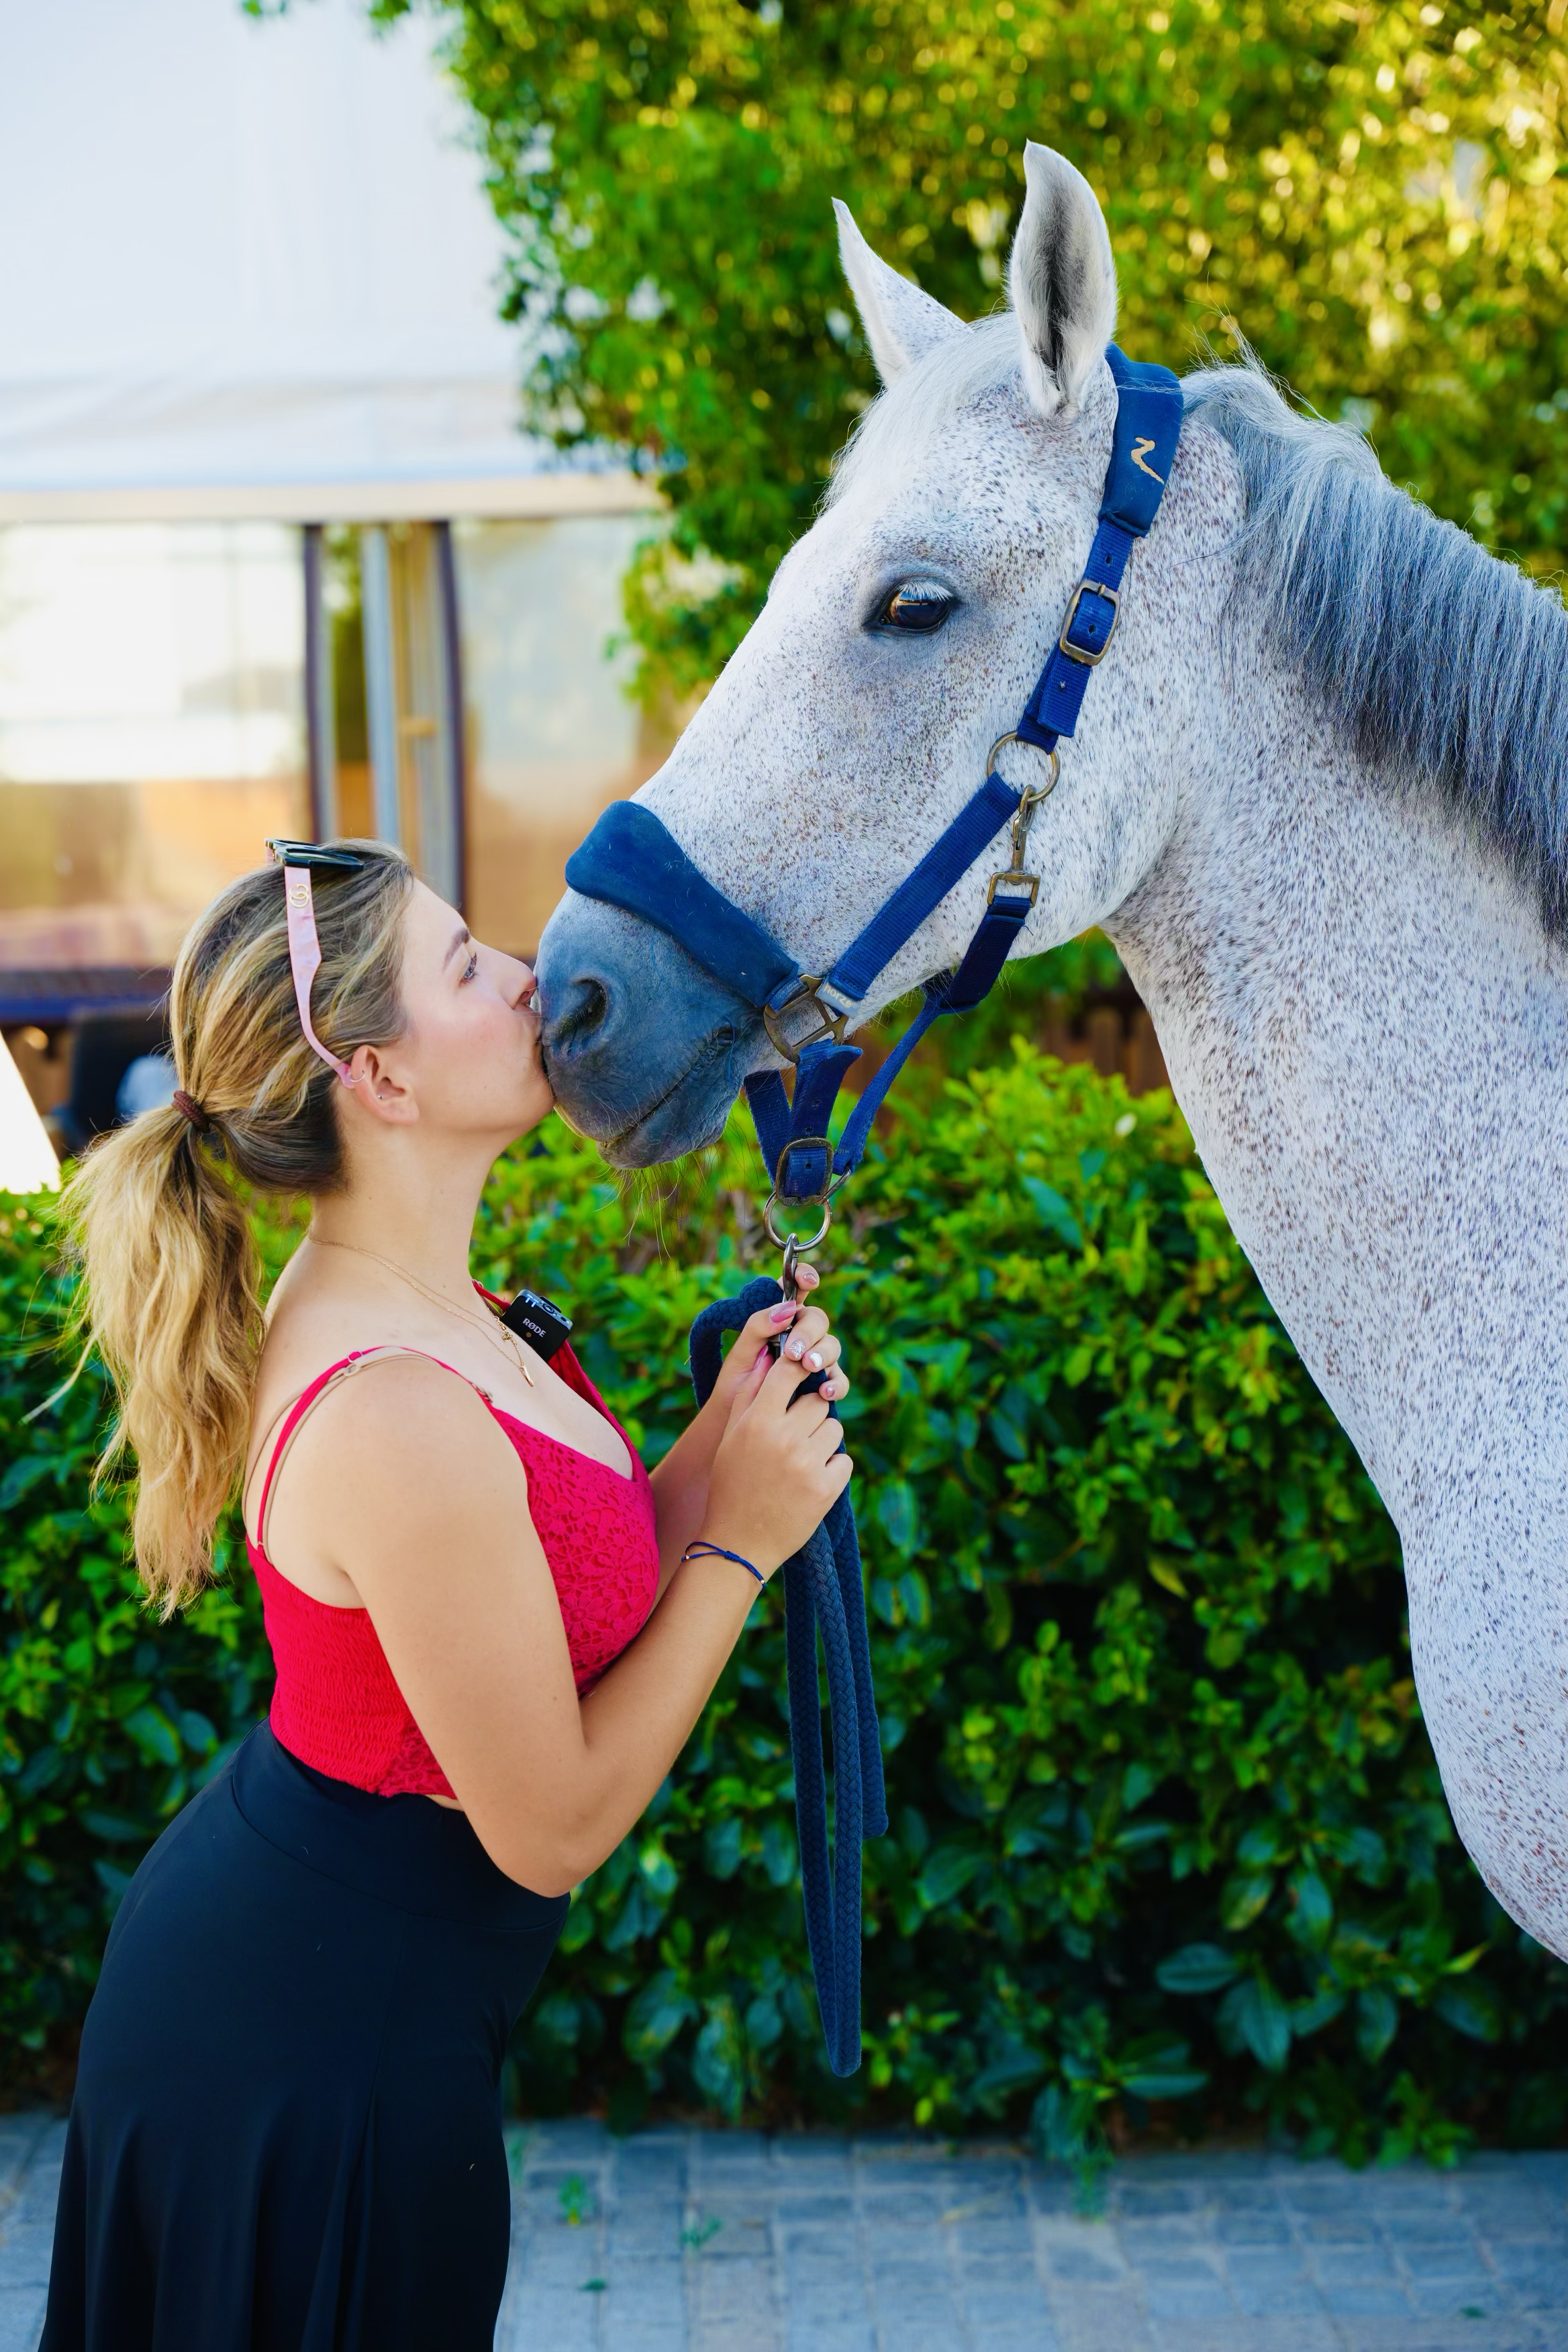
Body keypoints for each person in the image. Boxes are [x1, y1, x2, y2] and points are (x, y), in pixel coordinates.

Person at [41, 838, 851, 2352]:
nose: (525, 978)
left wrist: (724, 1441)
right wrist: (740, 1546)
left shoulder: (437, 1303)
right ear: (381, 1080)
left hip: (342, 1984)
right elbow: (549, 1830)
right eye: (467, 964)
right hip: (308, 2046)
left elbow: (572, 1571)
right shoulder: (389, 1404)